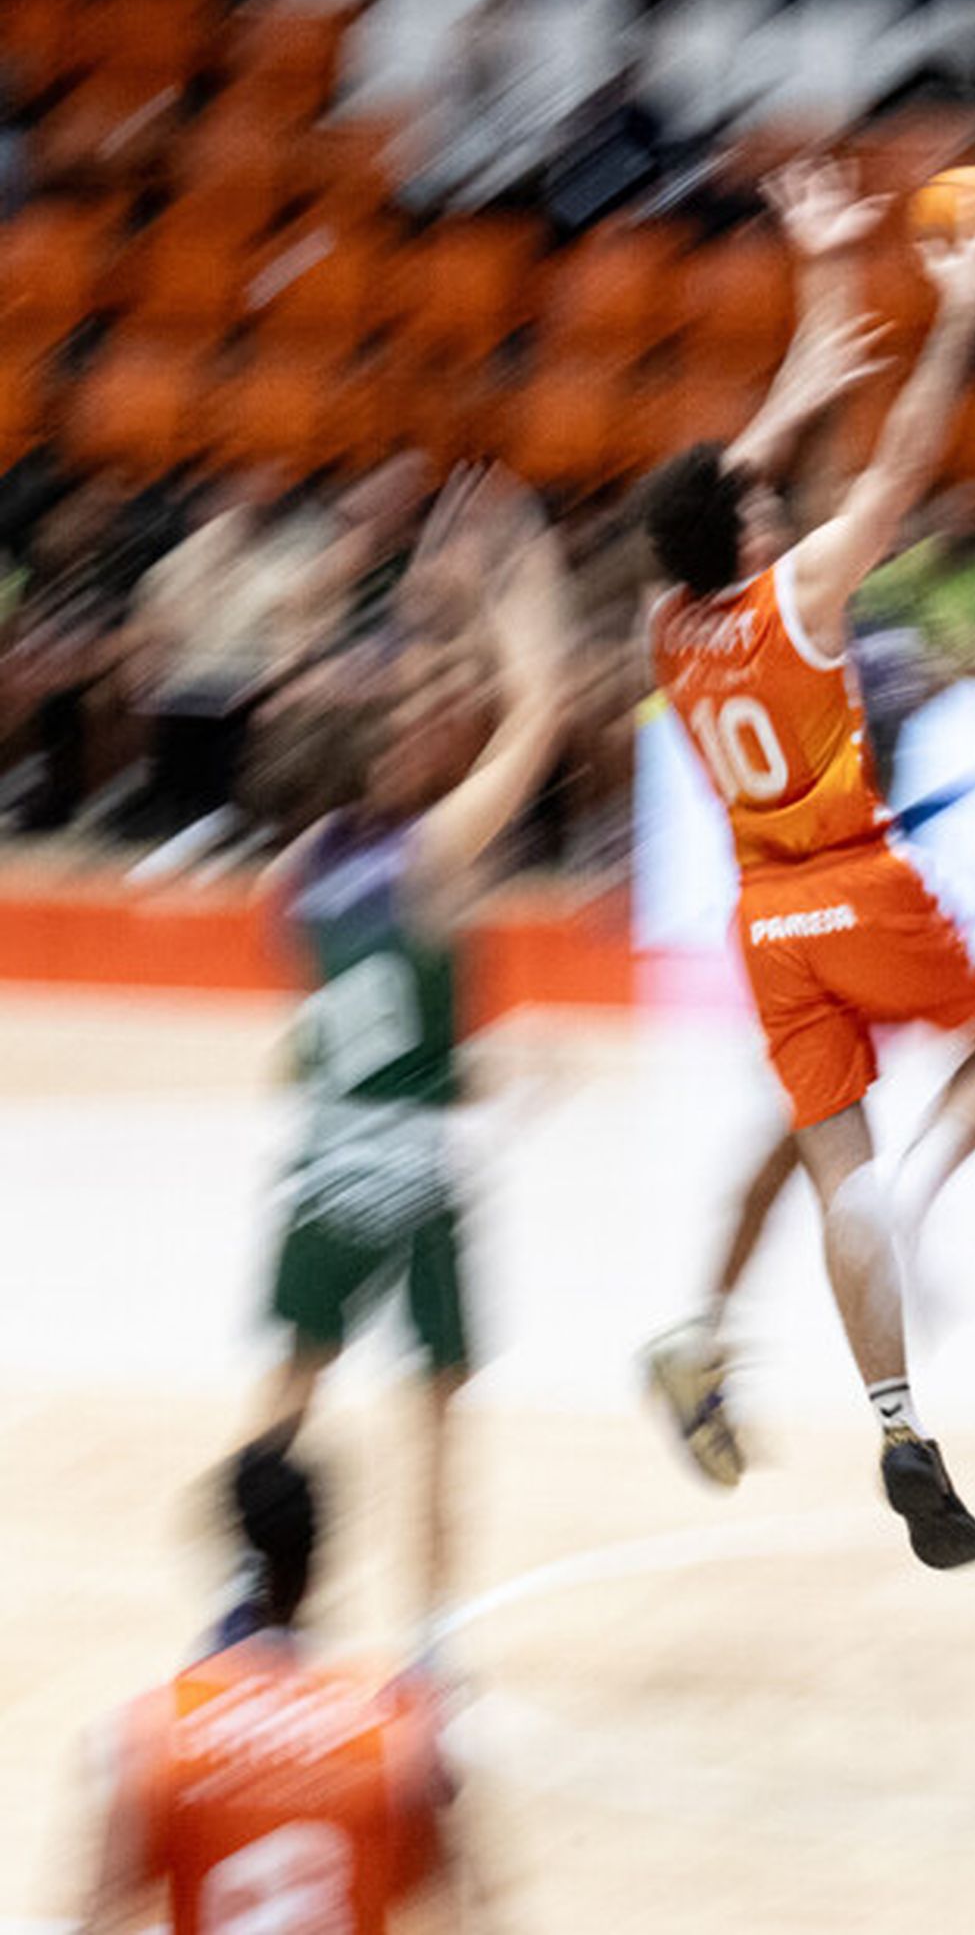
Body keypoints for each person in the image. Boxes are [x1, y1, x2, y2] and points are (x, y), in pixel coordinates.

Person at [641, 179, 975, 1569]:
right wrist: (960, 316)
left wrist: (813, 314)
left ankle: (889, 1417)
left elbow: (695, 507)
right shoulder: (797, 594)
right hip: (858, 882)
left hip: (765, 920)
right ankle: (904, 1223)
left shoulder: (665, 628)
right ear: (747, 532)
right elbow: (909, 461)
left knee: (810, 1156)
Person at [646, 478, 975, 1489]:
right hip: (847, 904)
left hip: (789, 914)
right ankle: (750, 1331)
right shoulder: (840, 641)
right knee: (866, 1120)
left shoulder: (834, 640)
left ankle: (712, 1336)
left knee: (795, 1146)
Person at [250, 468, 569, 1650]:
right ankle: (430, 1641)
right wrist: (514, 575)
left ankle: (249, 1610)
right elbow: (537, 713)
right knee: (435, 1412)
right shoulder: (432, 857)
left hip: (324, 1161)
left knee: (291, 1389)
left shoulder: (304, 876)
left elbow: (337, 1042)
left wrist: (476, 1070)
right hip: (415, 1173)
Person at [77, 1440, 482, 1934]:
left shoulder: (154, 1733)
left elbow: (105, 1917)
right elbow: (447, 1910)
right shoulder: (398, 1735)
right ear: (318, 1562)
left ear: (234, 1565)